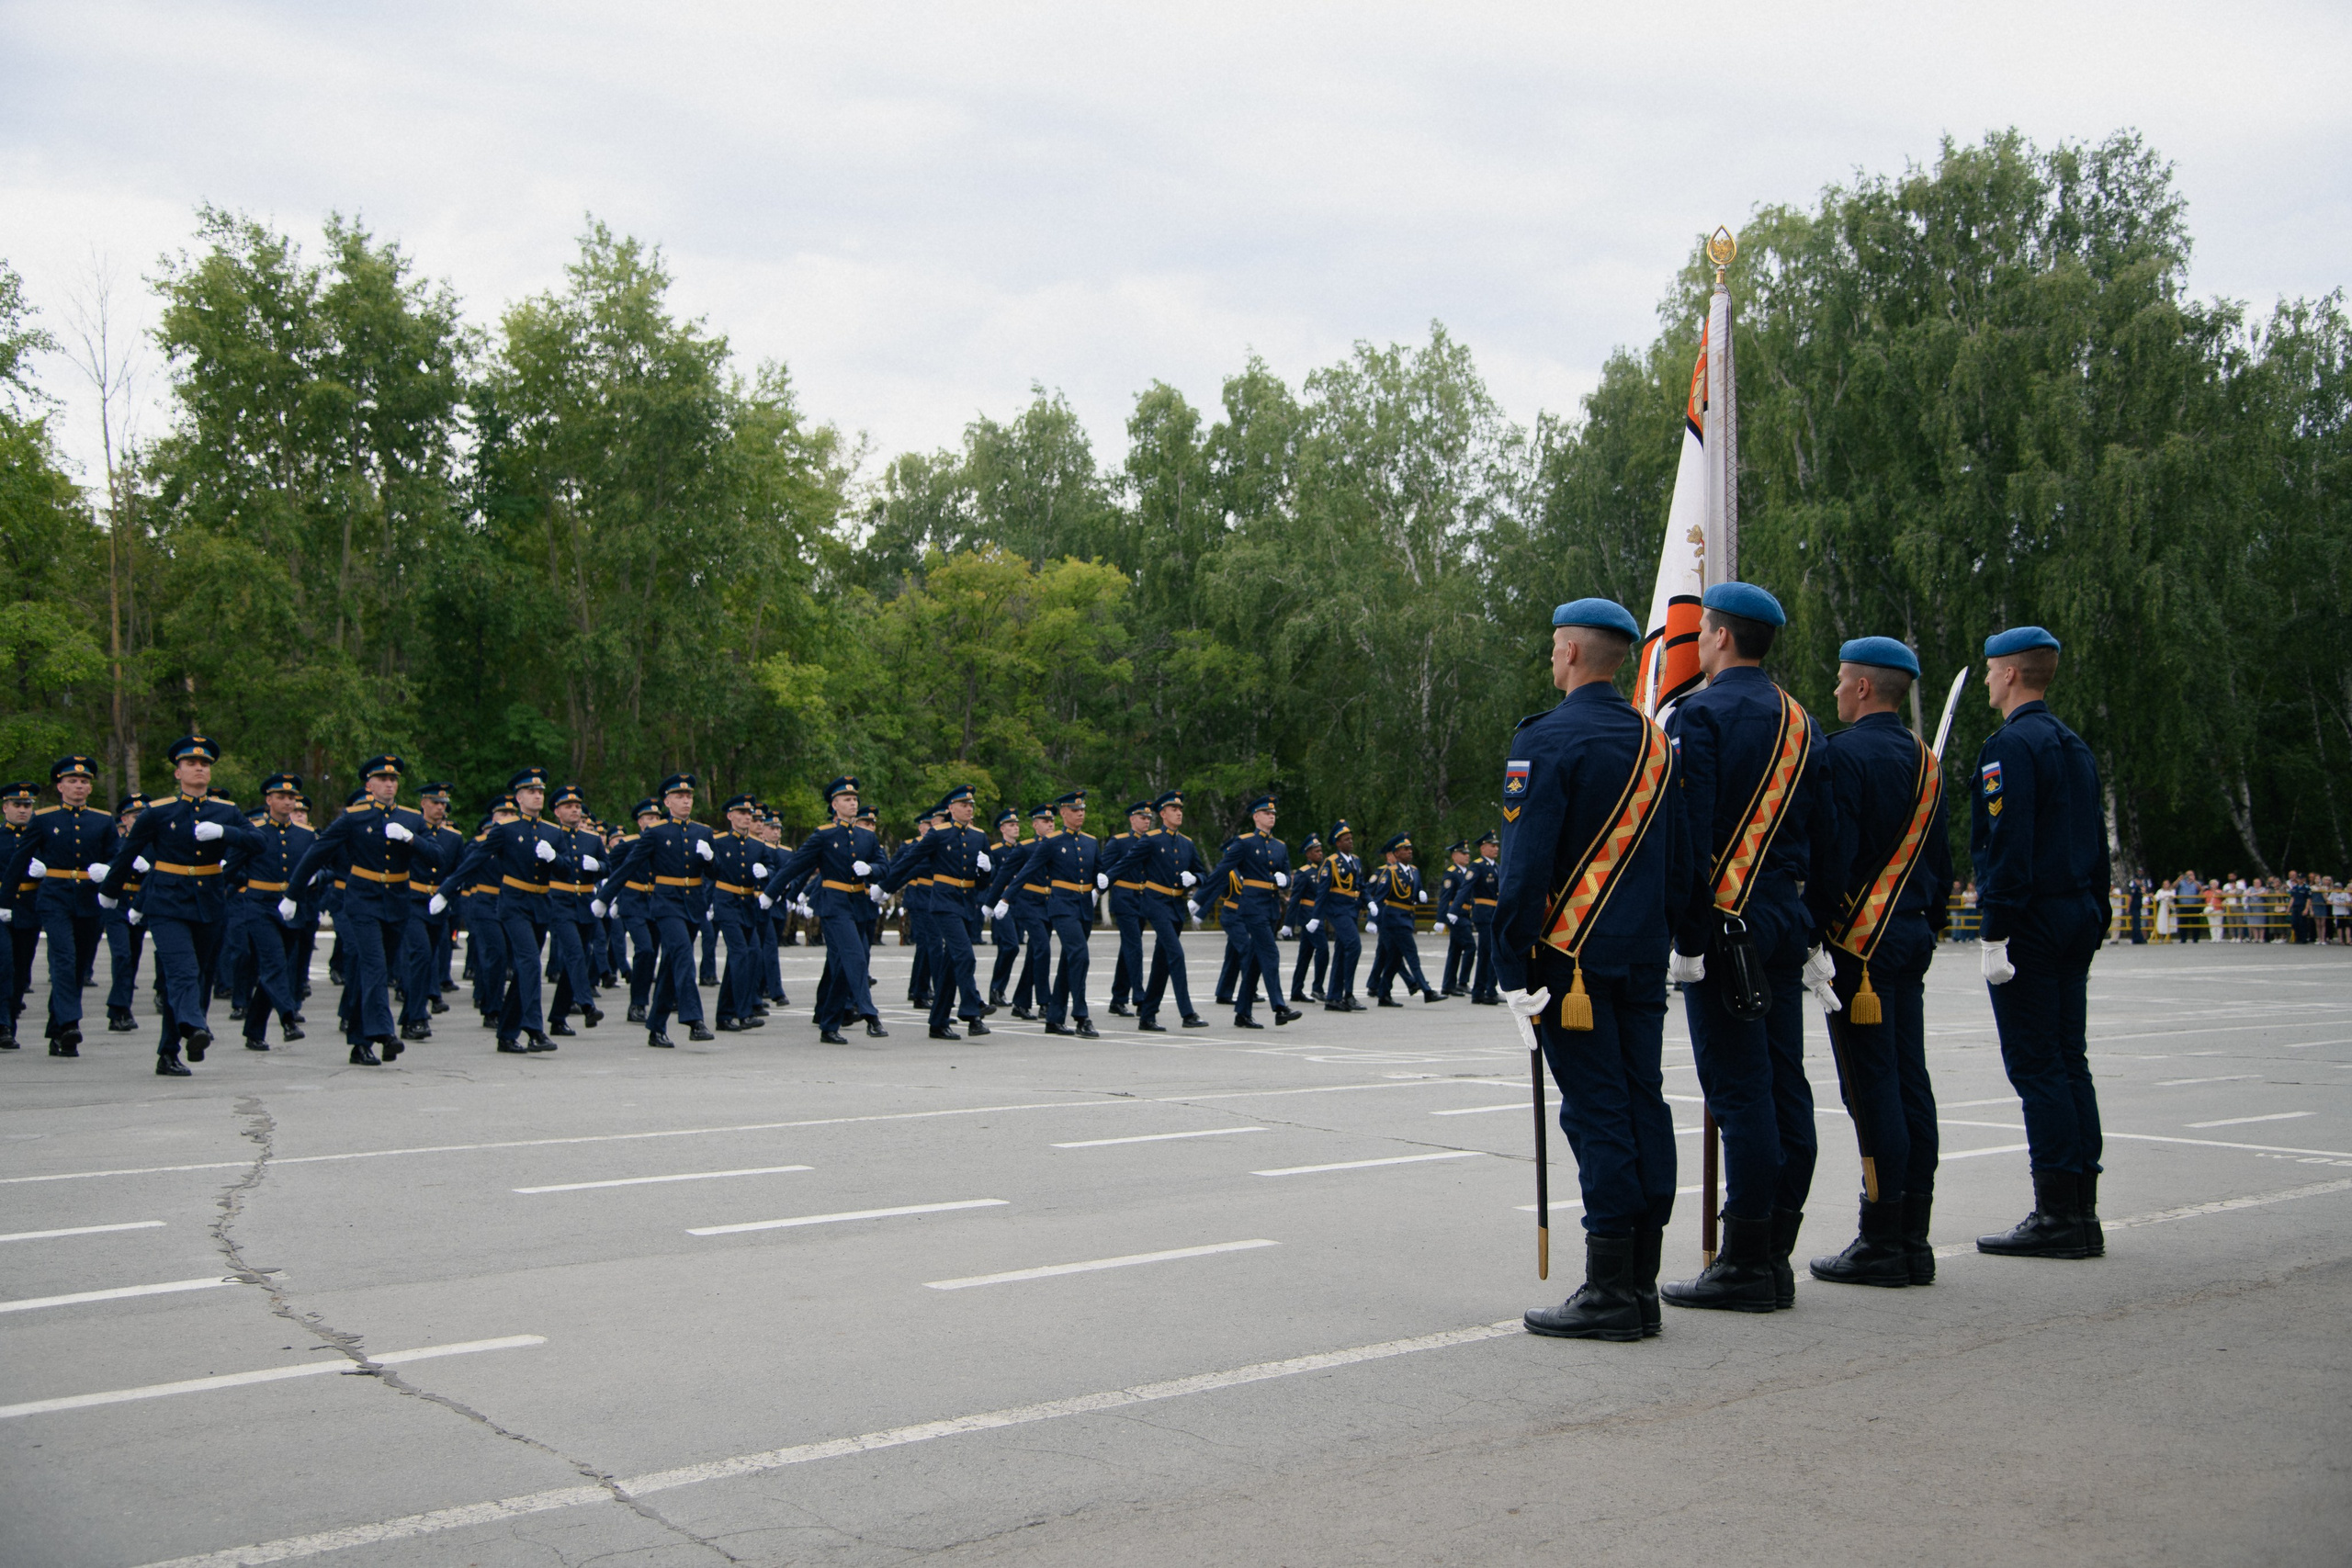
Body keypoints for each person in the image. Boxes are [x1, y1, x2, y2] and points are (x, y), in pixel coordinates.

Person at [1505, 598, 1690, 1342]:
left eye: (1556, 644)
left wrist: (1510, 963)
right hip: (1642, 956)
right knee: (1643, 1102)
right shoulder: (1656, 742)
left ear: (1575, 652)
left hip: (1569, 963)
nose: (1552, 655)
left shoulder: (1545, 738)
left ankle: (1611, 1287)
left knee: (1597, 1112)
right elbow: (1679, 859)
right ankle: (1640, 1280)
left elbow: (1525, 868)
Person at [1661, 581, 1835, 1314]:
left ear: (1722, 637)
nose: (1697, 642)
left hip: (1725, 925)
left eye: (1703, 630)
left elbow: (1689, 835)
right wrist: (1812, 927)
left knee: (1740, 1094)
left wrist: (1686, 936)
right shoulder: (1802, 721)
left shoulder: (1698, 716)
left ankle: (1744, 1262)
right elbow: (1828, 838)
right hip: (1782, 919)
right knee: (1784, 1085)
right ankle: (1774, 1251)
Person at [1805, 637, 1954, 1289]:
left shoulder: (1842, 755)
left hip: (1859, 946)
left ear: (1864, 687)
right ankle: (1913, 1234)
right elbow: (1941, 860)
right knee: (1909, 1080)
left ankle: (1881, 1236)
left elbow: (1832, 856)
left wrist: (1812, 930)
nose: (1837, 689)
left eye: (1843, 680)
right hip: (1910, 933)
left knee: (1872, 1090)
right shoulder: (1927, 761)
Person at [1972, 626, 2112, 1260]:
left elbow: (2008, 845)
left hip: (2031, 918)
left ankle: (2057, 1213)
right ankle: (2081, 1209)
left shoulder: (2010, 746)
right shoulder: (2073, 744)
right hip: (2076, 911)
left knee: (2037, 1065)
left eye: (1990, 670)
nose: (1986, 680)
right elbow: (2096, 840)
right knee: (2068, 1058)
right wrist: (2097, 912)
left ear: (2010, 674)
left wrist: (1994, 929)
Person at [96, 735, 267, 1076]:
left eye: (204, 764)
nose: (199, 768)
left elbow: (258, 841)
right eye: (191, 763)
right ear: (178, 773)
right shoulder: (158, 812)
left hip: (208, 901)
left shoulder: (226, 812)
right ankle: (194, 1025)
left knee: (199, 975)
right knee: (182, 971)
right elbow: (128, 852)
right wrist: (110, 890)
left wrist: (225, 832)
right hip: (167, 901)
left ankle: (170, 1050)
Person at [287, 755, 443, 1066]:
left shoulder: (412, 819)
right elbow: (318, 852)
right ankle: (384, 1033)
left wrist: (410, 838)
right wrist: (293, 892)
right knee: (375, 967)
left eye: (393, 779)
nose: (389, 784)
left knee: (370, 971)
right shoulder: (353, 817)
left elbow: (438, 857)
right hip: (362, 901)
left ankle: (359, 1043)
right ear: (369, 785)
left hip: (397, 901)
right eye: (382, 779)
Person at [440, 767, 570, 1055]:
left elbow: (568, 871)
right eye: (531, 792)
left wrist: (555, 858)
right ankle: (534, 1029)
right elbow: (475, 860)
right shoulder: (506, 829)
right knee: (530, 963)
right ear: (519, 798)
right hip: (513, 904)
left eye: (540, 792)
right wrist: (445, 890)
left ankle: (507, 1034)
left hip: (540, 905)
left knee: (525, 970)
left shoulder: (552, 832)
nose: (537, 796)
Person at [0, 755, 119, 1056]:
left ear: (90, 787)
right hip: (54, 898)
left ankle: (57, 1032)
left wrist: (108, 871)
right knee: (63, 958)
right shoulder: (44, 819)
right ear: (60, 786)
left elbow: (116, 855)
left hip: (88, 899)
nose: (79, 786)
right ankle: (69, 1024)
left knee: (79, 965)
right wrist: (5, 901)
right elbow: (19, 861)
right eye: (72, 781)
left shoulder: (103, 820)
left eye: (84, 781)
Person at [760, 775, 887, 1044]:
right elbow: (796, 865)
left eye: (855, 799)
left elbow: (884, 866)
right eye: (847, 799)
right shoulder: (824, 834)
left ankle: (828, 1024)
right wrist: (772, 892)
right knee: (856, 957)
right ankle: (870, 1015)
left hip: (859, 904)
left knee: (843, 965)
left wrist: (872, 869)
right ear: (834, 805)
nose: (853, 803)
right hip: (834, 905)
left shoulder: (867, 836)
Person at [884, 784, 995, 1039]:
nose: (969, 809)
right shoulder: (938, 833)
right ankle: (972, 1011)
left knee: (950, 964)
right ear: (951, 809)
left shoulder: (979, 836)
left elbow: (982, 883)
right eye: (964, 805)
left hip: (966, 904)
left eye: (971, 805)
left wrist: (987, 870)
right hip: (944, 902)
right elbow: (909, 861)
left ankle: (938, 1021)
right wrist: (885, 886)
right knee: (965, 956)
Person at [223, 774, 310, 1051]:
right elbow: (231, 869)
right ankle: (288, 1019)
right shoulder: (254, 833)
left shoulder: (306, 835)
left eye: (291, 797)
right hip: (259, 906)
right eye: (281, 797)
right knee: (274, 964)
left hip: (292, 908)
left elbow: (324, 866)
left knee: (274, 971)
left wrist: (314, 878)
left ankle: (254, 1031)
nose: (287, 802)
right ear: (269, 800)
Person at [1208, 795, 1301, 1029]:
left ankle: (1242, 1013)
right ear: (1256, 817)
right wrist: (1200, 900)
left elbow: (1286, 873)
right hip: (1252, 908)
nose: (1272, 816)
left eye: (1273, 813)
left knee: (1254, 962)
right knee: (1271, 954)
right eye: (1267, 813)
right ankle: (1279, 1007)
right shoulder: (1245, 842)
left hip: (1271, 909)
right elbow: (1221, 871)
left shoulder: (1280, 846)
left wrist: (1284, 880)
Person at [1135, 789, 1209, 1030]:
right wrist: (1101, 886)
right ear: (1163, 814)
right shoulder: (1152, 839)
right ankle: (1187, 1013)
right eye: (1173, 809)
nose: (1179, 813)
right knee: (1176, 954)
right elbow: (1127, 862)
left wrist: (1195, 879)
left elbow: (1203, 874)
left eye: (1180, 809)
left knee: (1162, 962)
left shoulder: (1187, 843)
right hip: (1156, 903)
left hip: (1176, 906)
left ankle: (1147, 1015)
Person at [1035, 789, 1104, 1037]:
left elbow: (1099, 872)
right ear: (1064, 813)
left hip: (1084, 907)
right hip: (1062, 907)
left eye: (1082, 810)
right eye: (1075, 810)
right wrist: (1002, 899)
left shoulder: (1090, 842)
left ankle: (1054, 1019)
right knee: (1080, 956)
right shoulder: (1052, 841)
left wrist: (1101, 884)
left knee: (1069, 961)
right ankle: (1081, 1016)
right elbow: (1028, 870)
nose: (1080, 814)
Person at [403, 782, 464, 1039]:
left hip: (438, 905)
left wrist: (448, 896)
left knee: (428, 959)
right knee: (420, 954)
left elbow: (459, 872)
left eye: (443, 803)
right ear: (423, 804)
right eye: (435, 803)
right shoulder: (408, 830)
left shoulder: (453, 838)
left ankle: (411, 1015)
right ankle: (416, 1016)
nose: (441, 808)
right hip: (412, 900)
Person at [1365, 835, 1442, 1005]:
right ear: (1396, 853)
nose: (1409, 852)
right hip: (1393, 920)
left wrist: (1421, 894)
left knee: (1393, 959)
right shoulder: (1390, 872)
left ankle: (1384, 994)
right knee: (1412, 955)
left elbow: (1416, 890)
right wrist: (1371, 919)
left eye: (1410, 849)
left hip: (1407, 918)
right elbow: (1379, 898)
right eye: (1405, 849)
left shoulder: (1414, 871)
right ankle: (1427, 991)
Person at [101, 794, 153, 1033]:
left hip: (139, 905)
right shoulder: (115, 843)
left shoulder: (153, 844)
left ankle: (123, 1008)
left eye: (143, 816)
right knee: (121, 955)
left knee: (132, 957)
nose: (139, 820)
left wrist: (149, 869)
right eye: (134, 816)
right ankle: (119, 1008)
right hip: (117, 903)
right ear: (124, 820)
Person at [0, 781, 40, 1049]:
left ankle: (10, 1020)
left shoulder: (41, 837)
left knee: (21, 970)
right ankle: (2, 1024)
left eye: (27, 805)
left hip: (28, 908)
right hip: (0, 907)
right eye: (17, 805)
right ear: (5, 808)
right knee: (3, 965)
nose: (23, 810)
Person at [1312, 822, 1365, 1010]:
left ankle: (1333, 999)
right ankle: (1348, 994)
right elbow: (1322, 892)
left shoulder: (1356, 861)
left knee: (1342, 952)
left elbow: (1361, 886)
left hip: (1352, 910)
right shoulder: (1331, 862)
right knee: (1354, 946)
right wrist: (1316, 916)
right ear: (1338, 843)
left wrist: (1370, 903)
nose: (1350, 842)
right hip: (1337, 910)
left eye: (1351, 838)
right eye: (1346, 839)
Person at [1448, 829, 1501, 1004]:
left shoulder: (1496, 867)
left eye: (1497, 846)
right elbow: (1465, 888)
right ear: (1483, 848)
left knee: (1488, 953)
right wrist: (1454, 910)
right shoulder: (1478, 866)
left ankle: (1481, 991)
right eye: (1492, 846)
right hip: (1483, 914)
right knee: (1490, 951)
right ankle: (1488, 991)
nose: (1496, 849)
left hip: (1495, 914)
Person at [1284, 834, 1329, 1003]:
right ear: (1308, 854)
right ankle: (1317, 988)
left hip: (1319, 915)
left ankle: (1296, 991)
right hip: (1308, 916)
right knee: (1323, 950)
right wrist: (1288, 923)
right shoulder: (1304, 873)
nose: (1320, 853)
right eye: (1316, 851)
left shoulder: (1323, 870)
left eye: (1321, 851)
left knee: (1305, 955)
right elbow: (1295, 899)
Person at [1438, 841, 1476, 996]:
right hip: (1456, 916)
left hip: (1465, 914)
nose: (1467, 856)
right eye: (1463, 853)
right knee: (1471, 947)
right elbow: (1445, 897)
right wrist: (1441, 919)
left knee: (1455, 950)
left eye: (1468, 853)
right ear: (1454, 856)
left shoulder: (1468, 872)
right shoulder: (1451, 873)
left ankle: (1448, 985)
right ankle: (1463, 982)